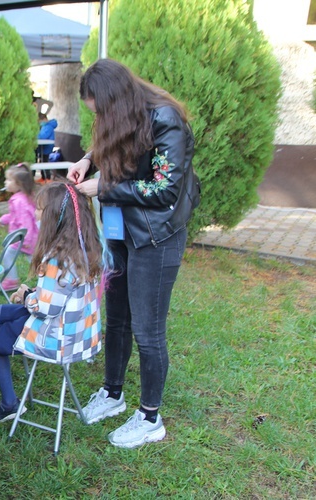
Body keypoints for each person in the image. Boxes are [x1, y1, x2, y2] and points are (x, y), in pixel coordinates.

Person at [67, 58, 200, 448]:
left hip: (157, 238)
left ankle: (149, 417)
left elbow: (164, 190)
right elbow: (110, 140)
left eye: (100, 110)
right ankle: (112, 393)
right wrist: (88, 159)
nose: (99, 118)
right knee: (118, 319)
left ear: (116, 100)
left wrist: (102, 188)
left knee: (148, 330)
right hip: (122, 233)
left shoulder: (166, 120)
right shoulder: (124, 114)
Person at [0, 182, 106, 422]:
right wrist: (33, 292)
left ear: (53, 216)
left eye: (39, 210)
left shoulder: (56, 257)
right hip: (77, 331)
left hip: (56, 335)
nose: (35, 214)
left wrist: (26, 295)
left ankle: (8, 403)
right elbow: (64, 292)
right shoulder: (85, 248)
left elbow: (46, 308)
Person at [0, 163, 38, 291]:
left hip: (24, 239)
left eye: (9, 180)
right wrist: (2, 220)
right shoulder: (21, 198)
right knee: (34, 261)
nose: (5, 182)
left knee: (30, 261)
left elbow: (26, 223)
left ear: (19, 184)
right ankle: (46, 281)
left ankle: (12, 281)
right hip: (25, 238)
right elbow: (15, 217)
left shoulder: (19, 201)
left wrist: (26, 241)